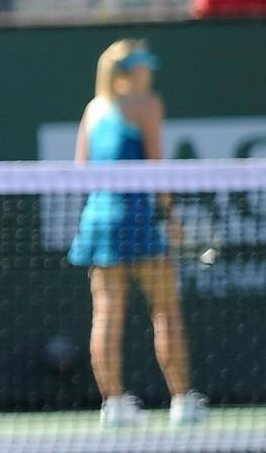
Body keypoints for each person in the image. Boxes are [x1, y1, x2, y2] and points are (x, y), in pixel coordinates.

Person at [69, 41, 208, 428]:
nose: (150, 73)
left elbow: (80, 171)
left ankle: (113, 404)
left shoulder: (92, 109)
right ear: (130, 72)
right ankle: (182, 400)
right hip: (135, 221)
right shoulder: (147, 104)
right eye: (145, 67)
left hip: (97, 220)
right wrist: (168, 214)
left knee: (106, 315)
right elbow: (157, 165)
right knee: (166, 309)